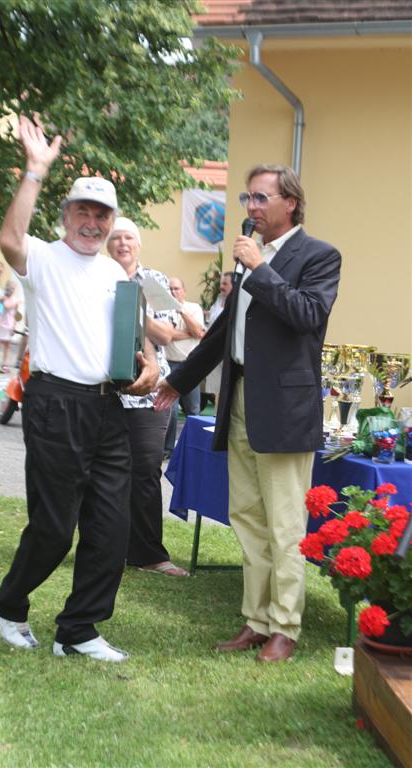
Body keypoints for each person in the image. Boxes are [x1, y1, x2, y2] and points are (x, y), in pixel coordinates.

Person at [0, 115, 159, 663]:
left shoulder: (117, 274)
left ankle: (78, 630)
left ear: (110, 223)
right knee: (56, 527)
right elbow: (9, 238)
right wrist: (35, 170)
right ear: (65, 217)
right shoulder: (43, 257)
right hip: (55, 402)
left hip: (110, 407)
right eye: (82, 210)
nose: (91, 221)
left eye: (100, 213)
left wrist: (151, 365)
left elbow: (137, 338)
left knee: (110, 524)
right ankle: (8, 605)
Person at [155, 164, 341, 662]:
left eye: (261, 198)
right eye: (247, 199)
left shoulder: (318, 256)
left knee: (283, 523)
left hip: (284, 409)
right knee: (247, 518)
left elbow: (307, 315)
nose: (251, 208)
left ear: (291, 203)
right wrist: (179, 381)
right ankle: (257, 620)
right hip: (237, 404)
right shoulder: (246, 260)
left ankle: (286, 626)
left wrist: (260, 269)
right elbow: (222, 335)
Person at [106, 217, 189, 578]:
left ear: (138, 245)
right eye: (116, 238)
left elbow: (168, 334)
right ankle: (108, 547)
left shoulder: (152, 280)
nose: (122, 243)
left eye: (129, 238)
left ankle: (150, 553)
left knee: (144, 471)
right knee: (105, 472)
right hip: (103, 388)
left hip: (148, 391)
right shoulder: (94, 276)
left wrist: (131, 305)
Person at [163, 278, 205, 458]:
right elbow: (165, 336)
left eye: (176, 288)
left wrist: (181, 311)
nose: (173, 292)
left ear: (184, 291)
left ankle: (192, 449)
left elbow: (199, 332)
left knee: (193, 409)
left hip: (190, 365)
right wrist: (189, 333)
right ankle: (168, 449)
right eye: (170, 289)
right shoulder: (163, 309)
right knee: (170, 411)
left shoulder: (194, 308)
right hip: (169, 363)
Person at [204, 271, 233, 401]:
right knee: (217, 389)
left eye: (225, 284)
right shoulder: (218, 300)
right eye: (221, 283)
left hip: (228, 351)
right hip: (214, 351)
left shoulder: (235, 303)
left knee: (227, 386)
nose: (221, 287)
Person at [0, 280, 20, 371]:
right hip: (1, 323)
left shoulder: (15, 299)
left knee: (7, 345)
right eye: (10, 288)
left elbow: (16, 314)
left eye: (13, 288)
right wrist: (17, 302)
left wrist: (15, 325)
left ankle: (4, 363)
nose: (12, 290)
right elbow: (6, 306)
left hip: (10, 324)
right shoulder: (3, 297)